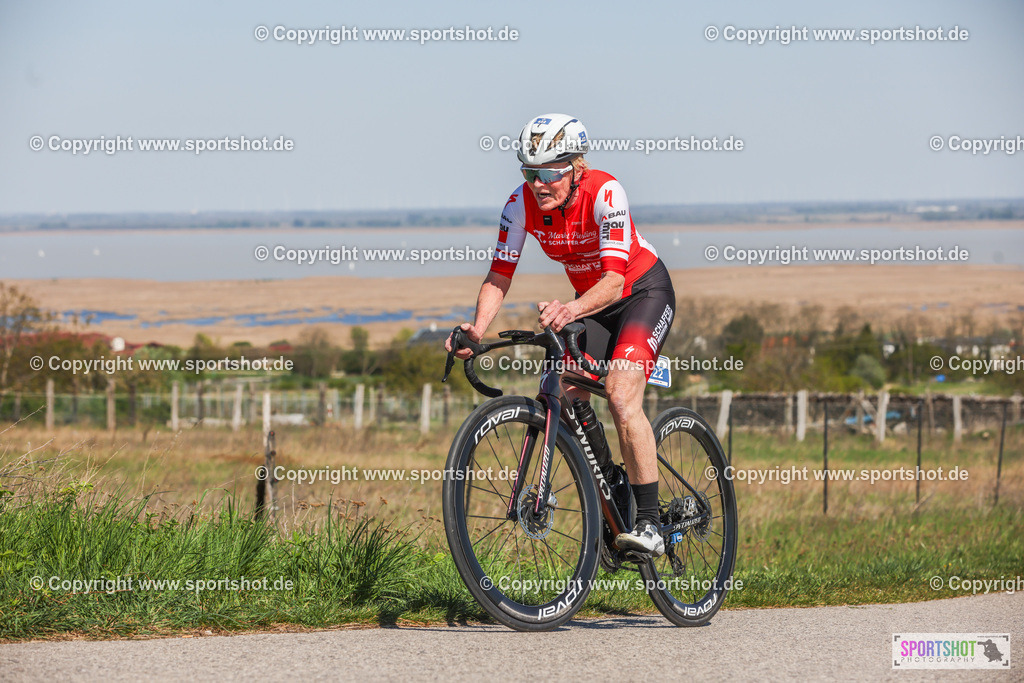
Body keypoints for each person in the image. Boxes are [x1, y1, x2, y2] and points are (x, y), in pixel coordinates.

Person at [445, 113, 675, 555]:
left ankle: (649, 524)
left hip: (640, 292)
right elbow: (499, 274)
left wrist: (569, 309)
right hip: (590, 303)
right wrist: (477, 329)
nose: (539, 184)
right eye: (530, 172)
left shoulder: (605, 192)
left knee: (622, 394)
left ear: (577, 167)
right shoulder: (519, 205)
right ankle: (612, 486)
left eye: (550, 172)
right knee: (565, 390)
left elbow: (612, 280)